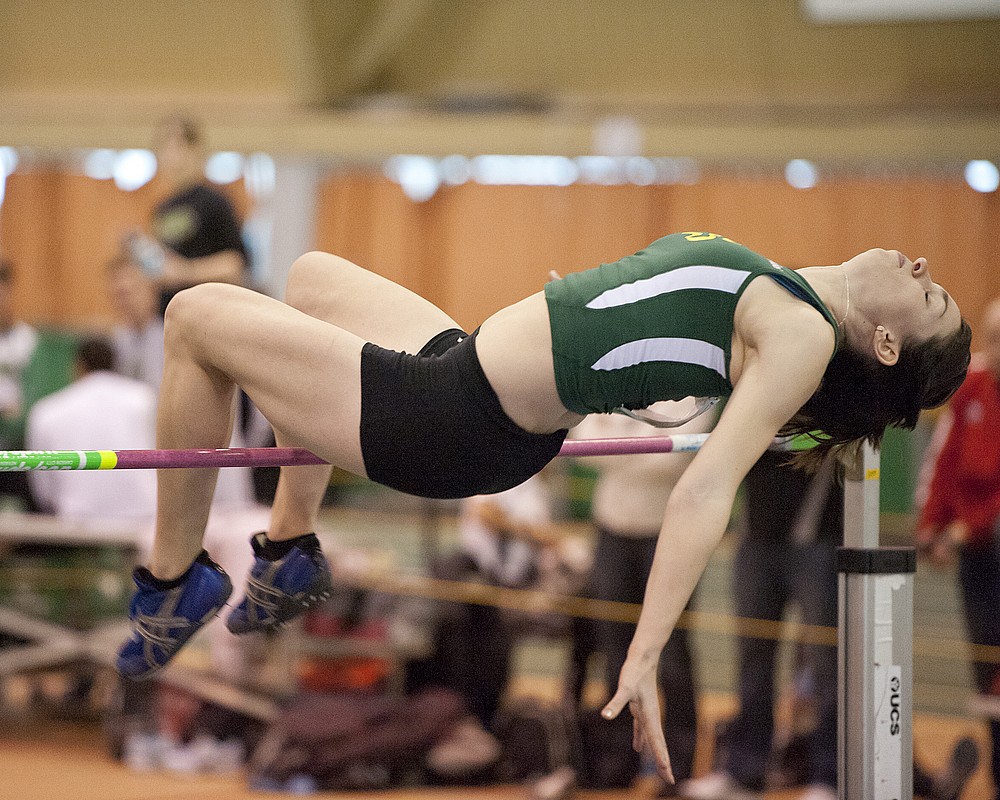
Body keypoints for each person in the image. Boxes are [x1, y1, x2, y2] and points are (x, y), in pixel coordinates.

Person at [116, 231, 971, 785]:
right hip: (462, 367)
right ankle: (290, 548)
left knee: (193, 317)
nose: (924, 266)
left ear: (887, 342)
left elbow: (707, 490)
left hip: (447, 417)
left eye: (930, 297)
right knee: (309, 279)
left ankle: (172, 580)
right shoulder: (791, 297)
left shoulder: (805, 334)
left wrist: (643, 656)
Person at [571, 399, 715, 794]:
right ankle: (618, 762)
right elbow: (583, 443)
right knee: (613, 650)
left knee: (673, 656)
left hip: (669, 534)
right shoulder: (617, 383)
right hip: (611, 531)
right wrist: (648, 438)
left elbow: (677, 456)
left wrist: (620, 440)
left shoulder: (697, 389)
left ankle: (678, 770)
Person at [916, 296, 1000, 800]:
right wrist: (932, 527)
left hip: (985, 539)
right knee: (988, 667)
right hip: (977, 557)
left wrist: (969, 529)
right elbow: (943, 464)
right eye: (993, 339)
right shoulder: (971, 391)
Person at [125, 115, 250, 315]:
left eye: (177, 145)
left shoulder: (215, 201)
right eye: (163, 146)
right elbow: (162, 265)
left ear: (196, 149)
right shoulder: (162, 208)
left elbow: (235, 264)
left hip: (208, 313)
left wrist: (185, 272)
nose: (169, 155)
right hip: (168, 316)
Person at [26, 337, 157, 521]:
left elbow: (43, 488)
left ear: (78, 367)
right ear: (116, 365)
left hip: (78, 518)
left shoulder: (47, 411)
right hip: (143, 515)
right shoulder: (145, 400)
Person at [106, 253, 165, 392]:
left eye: (131, 292)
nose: (125, 301)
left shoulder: (170, 338)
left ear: (152, 290)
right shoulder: (113, 342)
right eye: (119, 295)